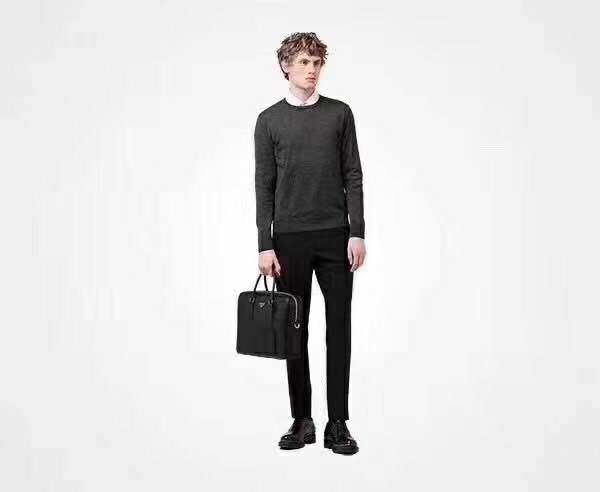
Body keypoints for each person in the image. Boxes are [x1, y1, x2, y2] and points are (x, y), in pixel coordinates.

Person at [254, 32, 366, 455]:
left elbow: (353, 174)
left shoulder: (340, 114)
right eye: (303, 62)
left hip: (335, 235)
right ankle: (302, 419)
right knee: (294, 331)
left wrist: (357, 231)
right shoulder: (269, 121)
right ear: (286, 66)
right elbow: (263, 185)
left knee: (339, 329)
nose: (312, 70)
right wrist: (265, 243)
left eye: (317, 62)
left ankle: (338, 423)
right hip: (289, 239)